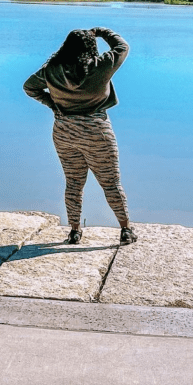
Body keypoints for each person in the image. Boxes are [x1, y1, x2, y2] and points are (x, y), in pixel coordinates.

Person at [23, 27, 137, 246]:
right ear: (91, 47)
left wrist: (52, 104)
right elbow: (123, 47)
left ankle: (74, 232)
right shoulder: (100, 66)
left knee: (74, 182)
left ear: (66, 46)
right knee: (111, 183)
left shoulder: (52, 69)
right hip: (96, 132)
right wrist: (102, 32)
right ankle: (125, 230)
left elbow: (29, 87)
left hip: (64, 131)